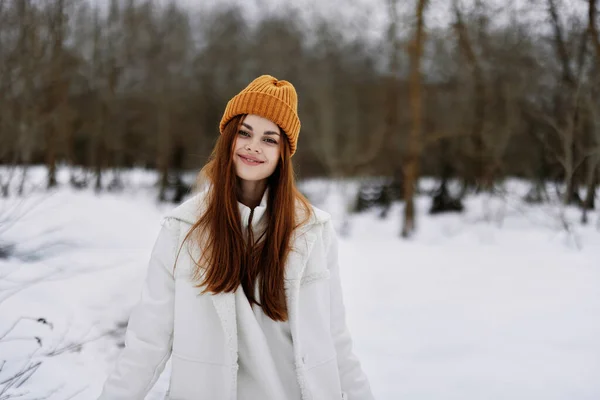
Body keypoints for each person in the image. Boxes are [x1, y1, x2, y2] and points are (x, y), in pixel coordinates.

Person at [98, 75, 374, 400]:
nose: (254, 146)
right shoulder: (182, 229)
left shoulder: (312, 232)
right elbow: (147, 342)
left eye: (270, 139)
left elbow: (335, 338)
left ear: (284, 153)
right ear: (228, 138)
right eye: (245, 132)